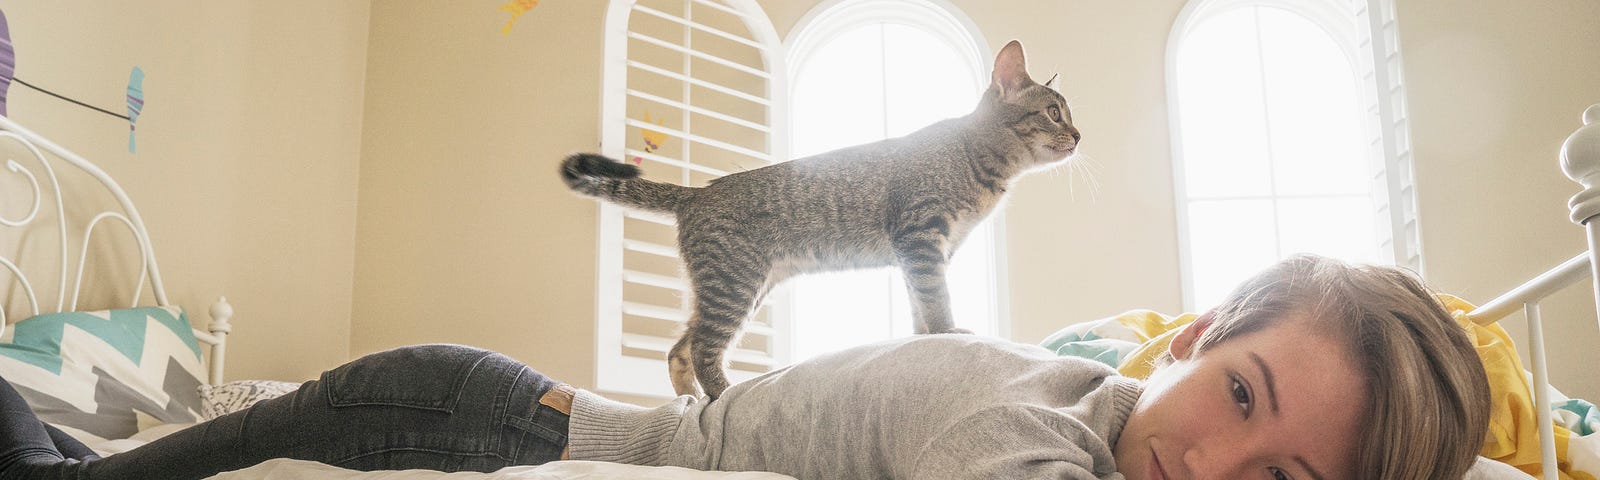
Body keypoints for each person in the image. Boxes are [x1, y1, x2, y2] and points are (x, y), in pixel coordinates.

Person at [0, 254, 1491, 479]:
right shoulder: (1023, 421)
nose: (1215, 468)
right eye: (1240, 401)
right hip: (489, 416)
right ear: (1186, 342)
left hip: (498, 405)